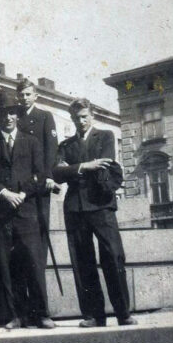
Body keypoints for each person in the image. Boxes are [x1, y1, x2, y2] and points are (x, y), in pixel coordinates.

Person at [52, 98, 136, 328]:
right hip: (75, 208)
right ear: (72, 119)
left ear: (92, 116)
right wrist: (85, 166)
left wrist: (72, 170)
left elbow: (105, 165)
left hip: (101, 204)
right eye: (76, 118)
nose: (81, 121)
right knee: (82, 262)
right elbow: (56, 172)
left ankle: (123, 313)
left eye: (84, 116)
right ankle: (93, 315)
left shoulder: (106, 136)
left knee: (113, 256)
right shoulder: (66, 145)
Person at [0, 95, 55, 329]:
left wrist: (22, 193)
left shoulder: (31, 142)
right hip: (2, 215)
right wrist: (4, 193)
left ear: (18, 115)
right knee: (7, 266)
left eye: (12, 113)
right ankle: (16, 316)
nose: (8, 117)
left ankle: (42, 314)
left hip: (27, 211)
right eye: (4, 113)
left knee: (33, 263)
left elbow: (40, 173)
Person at [16, 79, 59, 266]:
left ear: (35, 96)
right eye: (21, 95)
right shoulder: (16, 117)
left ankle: (40, 267)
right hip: (21, 179)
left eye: (28, 94)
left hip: (40, 178)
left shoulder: (44, 116)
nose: (25, 98)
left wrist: (48, 175)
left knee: (41, 225)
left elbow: (51, 148)